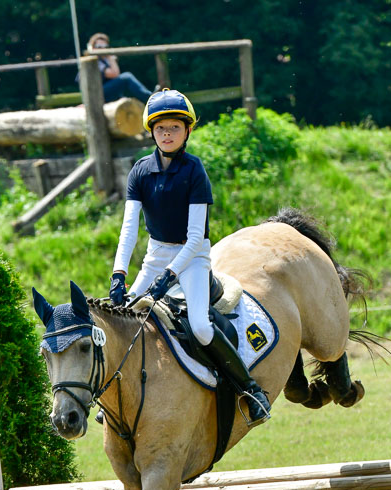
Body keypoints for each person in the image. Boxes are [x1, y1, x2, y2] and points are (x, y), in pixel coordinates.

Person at [108, 88, 271, 427]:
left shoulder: (194, 170)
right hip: (156, 254)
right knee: (121, 319)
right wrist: (118, 273)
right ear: (152, 131)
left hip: (193, 257)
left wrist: (170, 276)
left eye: (175, 128)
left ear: (187, 131)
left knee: (199, 326)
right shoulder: (139, 171)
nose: (167, 135)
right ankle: (114, 396)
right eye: (161, 129)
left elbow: (197, 236)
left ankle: (251, 389)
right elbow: (128, 230)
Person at [84, 33, 153, 104]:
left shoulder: (102, 61)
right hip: (95, 96)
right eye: (99, 47)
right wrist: (110, 58)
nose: (103, 49)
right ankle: (151, 99)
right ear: (93, 48)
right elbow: (115, 74)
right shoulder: (94, 61)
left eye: (105, 46)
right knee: (126, 77)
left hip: (100, 94)